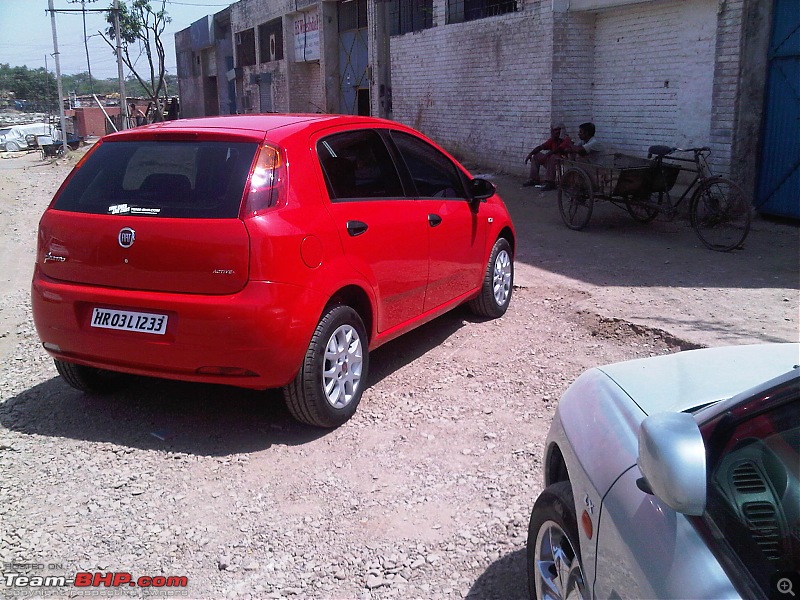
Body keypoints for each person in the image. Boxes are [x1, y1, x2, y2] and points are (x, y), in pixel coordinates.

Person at [523, 123, 571, 191]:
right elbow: (541, 147)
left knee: (553, 156)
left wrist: (547, 155)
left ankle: (550, 182)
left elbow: (559, 149)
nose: (557, 132)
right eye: (555, 130)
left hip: (563, 164)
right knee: (536, 155)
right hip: (553, 164)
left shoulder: (567, 139)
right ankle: (534, 179)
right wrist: (531, 153)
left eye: (559, 129)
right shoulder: (553, 139)